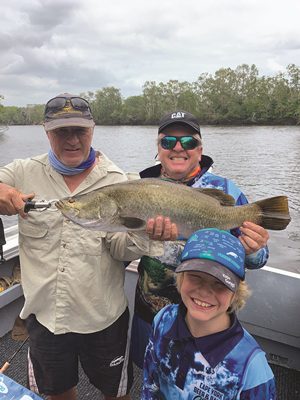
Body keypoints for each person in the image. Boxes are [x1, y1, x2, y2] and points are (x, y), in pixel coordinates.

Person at [0, 93, 177, 400]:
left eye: (79, 131)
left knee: (117, 393)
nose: (72, 140)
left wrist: (147, 235)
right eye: (61, 132)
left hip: (103, 318)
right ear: (46, 131)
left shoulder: (117, 180)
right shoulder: (21, 171)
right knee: (56, 393)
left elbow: (120, 249)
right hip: (45, 318)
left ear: (93, 130)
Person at [131, 110, 270, 368]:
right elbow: (122, 243)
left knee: (200, 382)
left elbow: (259, 259)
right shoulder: (140, 186)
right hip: (150, 310)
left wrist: (252, 249)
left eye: (188, 142)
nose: (178, 148)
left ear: (200, 148)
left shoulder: (227, 191)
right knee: (151, 375)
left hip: (208, 316)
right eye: (168, 141)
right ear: (158, 147)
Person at [142, 228, 276, 399]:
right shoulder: (163, 319)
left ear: (236, 292)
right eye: (195, 277)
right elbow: (150, 383)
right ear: (180, 278)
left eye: (220, 283)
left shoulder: (252, 370)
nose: (205, 292)